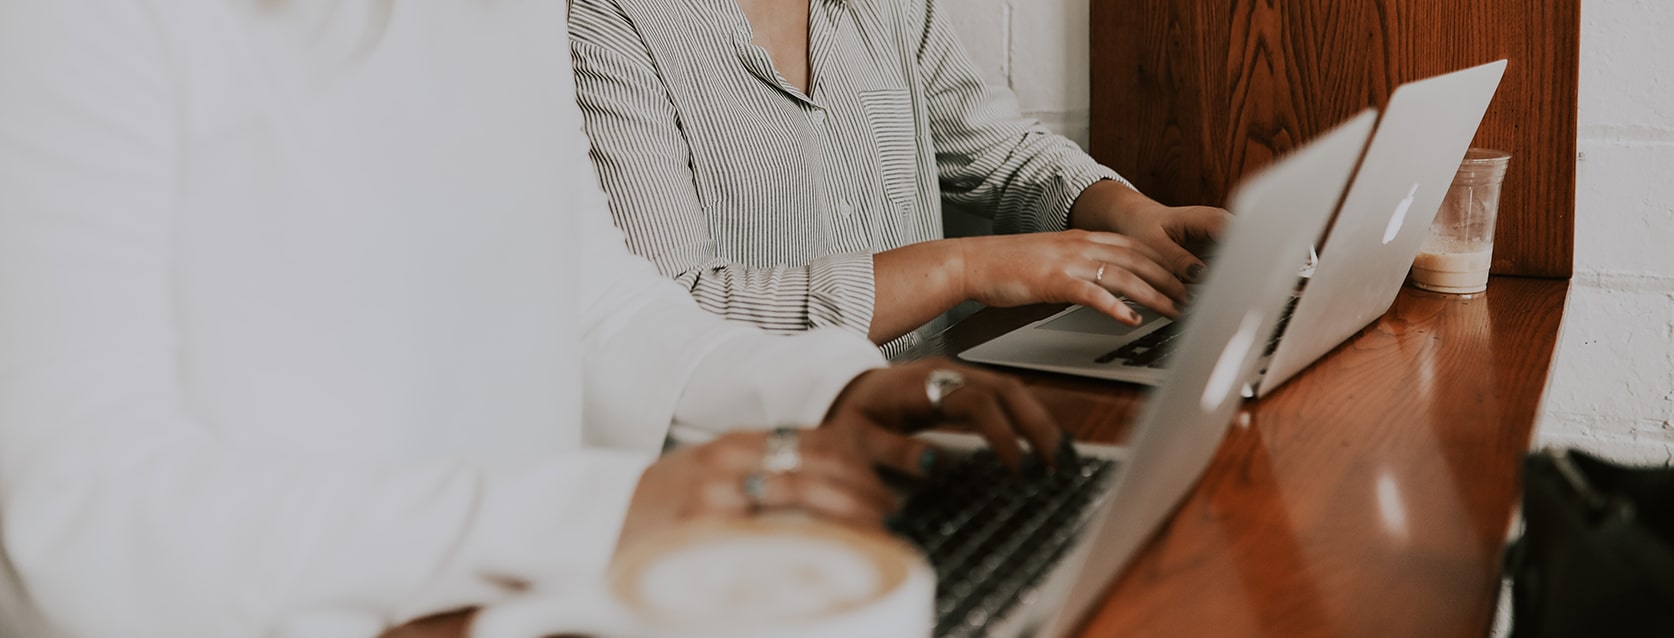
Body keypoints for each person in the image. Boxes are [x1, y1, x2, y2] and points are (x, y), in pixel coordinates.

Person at [0, 2, 1063, 637]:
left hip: (510, 605)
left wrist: (820, 389)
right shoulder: (75, 24)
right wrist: (595, 512)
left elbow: (594, 303)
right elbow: (85, 510)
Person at [567, 0, 1230, 354]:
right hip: (763, 473)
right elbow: (673, 313)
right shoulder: (606, 24)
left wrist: (1135, 218)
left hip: (932, 415)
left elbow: (999, 150)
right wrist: (958, 270)